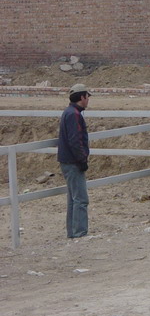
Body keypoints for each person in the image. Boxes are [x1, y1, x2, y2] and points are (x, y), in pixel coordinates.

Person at [57, 83, 91, 238]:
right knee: (80, 199)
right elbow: (75, 140)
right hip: (73, 162)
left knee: (73, 199)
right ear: (82, 97)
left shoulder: (69, 112)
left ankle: (73, 232)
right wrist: (82, 159)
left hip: (67, 161)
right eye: (87, 96)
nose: (88, 99)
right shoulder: (74, 115)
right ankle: (79, 232)